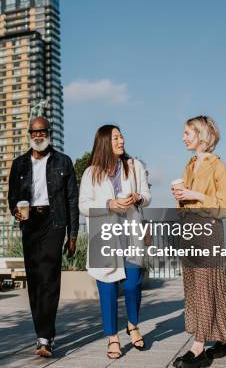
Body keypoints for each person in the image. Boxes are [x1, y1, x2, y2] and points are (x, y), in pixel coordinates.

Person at [8, 116, 79, 358]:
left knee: (49, 277)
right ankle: (42, 332)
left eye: (42, 131)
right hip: (30, 223)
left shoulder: (63, 162)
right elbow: (12, 197)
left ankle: (45, 338)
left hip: (54, 222)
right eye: (34, 132)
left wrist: (73, 235)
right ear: (29, 134)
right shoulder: (19, 164)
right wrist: (16, 211)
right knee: (36, 280)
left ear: (49, 133)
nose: (38, 135)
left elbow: (72, 201)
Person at [78, 125, 151, 359]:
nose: (121, 141)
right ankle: (112, 337)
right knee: (108, 290)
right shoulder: (91, 173)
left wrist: (138, 197)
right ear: (104, 143)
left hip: (130, 236)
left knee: (132, 285)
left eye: (121, 136)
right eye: (116, 138)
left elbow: (147, 197)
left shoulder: (134, 166)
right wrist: (108, 204)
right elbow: (83, 206)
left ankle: (133, 324)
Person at [171, 115, 226, 368]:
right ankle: (224, 339)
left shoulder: (218, 166)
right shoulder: (189, 165)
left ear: (201, 134)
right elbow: (188, 203)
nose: (183, 137)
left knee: (204, 286)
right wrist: (181, 197)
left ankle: (198, 348)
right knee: (198, 285)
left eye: (187, 132)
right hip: (190, 229)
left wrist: (195, 194)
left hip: (208, 231)